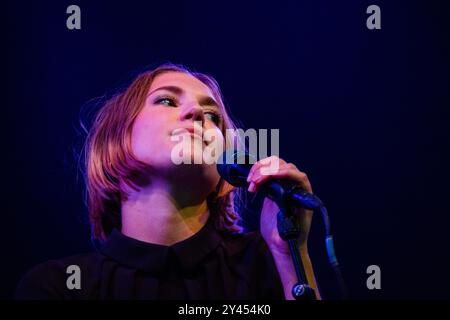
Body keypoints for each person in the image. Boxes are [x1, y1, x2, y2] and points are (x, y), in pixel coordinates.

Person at [15, 63, 320, 300]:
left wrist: (288, 253)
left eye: (213, 116)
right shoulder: (59, 287)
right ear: (117, 136)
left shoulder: (263, 263)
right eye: (166, 101)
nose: (197, 112)